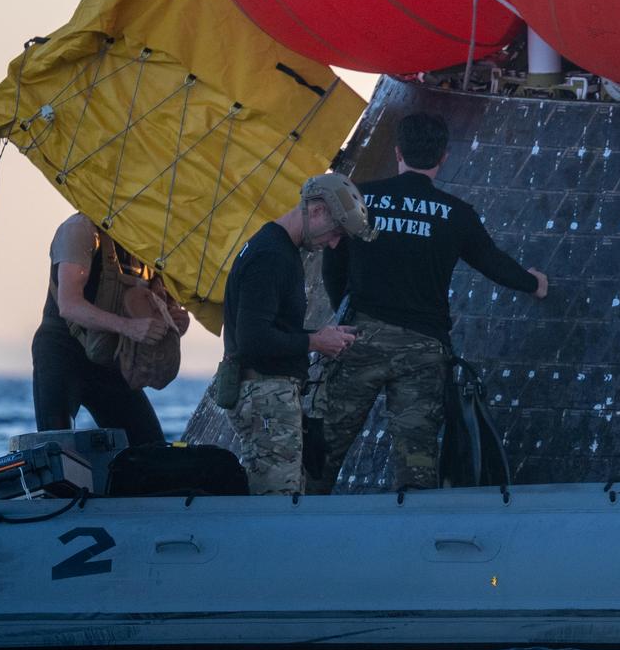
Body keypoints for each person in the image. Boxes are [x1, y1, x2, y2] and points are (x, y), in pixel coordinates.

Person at [310, 113, 548, 493]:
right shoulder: (456, 214)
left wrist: (347, 317)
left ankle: (299, 529)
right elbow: (493, 263)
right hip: (424, 351)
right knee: (417, 461)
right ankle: (414, 540)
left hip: (358, 339)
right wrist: (534, 284)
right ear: (443, 157)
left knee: (324, 450)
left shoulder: (360, 199)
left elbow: (333, 267)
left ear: (398, 151)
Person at [222, 174, 370, 494]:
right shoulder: (271, 256)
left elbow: (267, 328)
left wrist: (320, 335)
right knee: (275, 500)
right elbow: (253, 339)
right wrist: (316, 341)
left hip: (264, 393)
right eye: (335, 233)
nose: (333, 244)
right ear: (316, 211)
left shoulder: (276, 249)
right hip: (266, 396)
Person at [31, 212, 189, 446]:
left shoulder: (149, 245)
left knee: (151, 448)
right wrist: (129, 327)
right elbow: (69, 305)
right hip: (61, 352)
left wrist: (173, 322)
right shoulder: (80, 229)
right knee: (56, 448)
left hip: (110, 359)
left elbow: (163, 309)